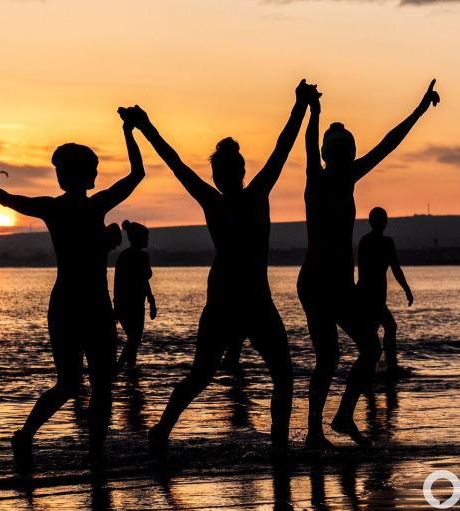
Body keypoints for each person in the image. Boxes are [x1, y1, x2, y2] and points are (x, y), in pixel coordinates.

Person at [122, 79, 318, 453]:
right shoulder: (251, 195)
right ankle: (275, 447)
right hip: (239, 300)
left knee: (211, 374)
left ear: (224, 174)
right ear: (239, 171)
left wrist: (146, 126)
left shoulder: (226, 198)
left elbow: (175, 162)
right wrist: (300, 105)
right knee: (270, 375)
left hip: (242, 299)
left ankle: (165, 432)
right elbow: (281, 147)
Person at [0, 109, 146, 466]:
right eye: (93, 168)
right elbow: (137, 174)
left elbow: (6, 198)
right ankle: (45, 441)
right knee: (89, 385)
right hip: (81, 305)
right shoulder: (84, 206)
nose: (96, 173)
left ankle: (80, 452)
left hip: (77, 304)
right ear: (80, 174)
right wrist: (130, 132)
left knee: (79, 384)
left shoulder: (64, 208)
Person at [299, 80, 440, 448]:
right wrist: (313, 114)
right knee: (335, 356)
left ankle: (338, 419)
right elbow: (314, 146)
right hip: (319, 282)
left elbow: (388, 143)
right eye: (345, 154)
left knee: (362, 350)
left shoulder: (341, 177)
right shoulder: (320, 179)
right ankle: (318, 430)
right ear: (338, 156)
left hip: (333, 284)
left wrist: (419, 110)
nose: (349, 160)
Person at [357, 207, 414, 378]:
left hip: (376, 295)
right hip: (369, 295)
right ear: (372, 222)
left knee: (373, 333)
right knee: (388, 327)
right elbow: (363, 271)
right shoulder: (367, 242)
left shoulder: (386, 242)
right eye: (380, 220)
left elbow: (396, 269)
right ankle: (389, 366)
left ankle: (378, 368)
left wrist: (407, 289)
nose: (383, 223)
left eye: (384, 219)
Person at [113, 220, 157, 370]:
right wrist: (152, 302)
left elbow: (143, 281)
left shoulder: (125, 256)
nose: (148, 240)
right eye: (146, 237)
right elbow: (142, 280)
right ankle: (118, 369)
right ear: (139, 238)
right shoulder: (140, 257)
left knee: (134, 340)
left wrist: (151, 301)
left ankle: (130, 370)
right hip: (132, 305)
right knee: (134, 340)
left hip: (132, 304)